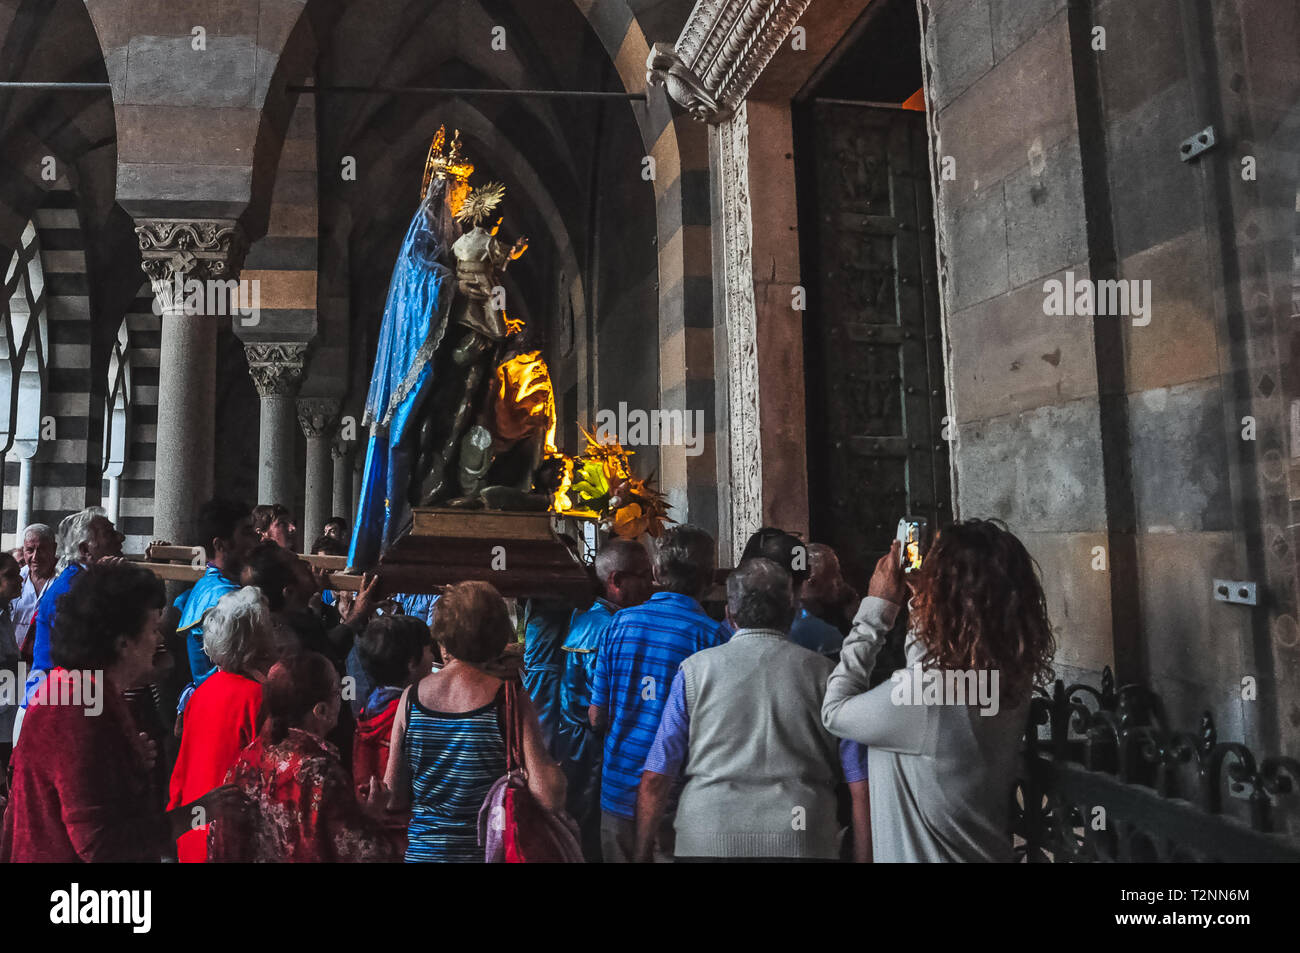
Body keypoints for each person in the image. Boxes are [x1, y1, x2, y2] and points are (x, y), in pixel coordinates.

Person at [822, 520, 1056, 862]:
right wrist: (921, 601)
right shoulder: (1006, 681)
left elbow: (835, 711)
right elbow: (937, 663)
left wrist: (876, 609)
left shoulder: (925, 696)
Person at [0, 562, 244, 862]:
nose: (159, 640)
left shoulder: (84, 689)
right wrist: (198, 813)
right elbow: (101, 845)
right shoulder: (79, 706)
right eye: (152, 629)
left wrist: (124, 762)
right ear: (123, 642)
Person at [634, 558, 871, 862]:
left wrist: (640, 853)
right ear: (790, 614)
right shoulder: (828, 675)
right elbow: (859, 782)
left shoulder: (694, 671)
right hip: (802, 838)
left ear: (729, 614)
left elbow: (657, 776)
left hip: (707, 836)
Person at [385, 580, 565, 863]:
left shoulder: (411, 699)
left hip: (423, 853)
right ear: (498, 636)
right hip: (486, 854)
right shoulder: (508, 697)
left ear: (442, 637)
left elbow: (393, 795)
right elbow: (549, 796)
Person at [589, 524, 729, 862]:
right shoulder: (713, 638)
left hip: (619, 792)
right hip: (678, 804)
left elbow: (597, 716)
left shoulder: (619, 625)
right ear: (710, 578)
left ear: (656, 572)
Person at [208, 652, 394, 862]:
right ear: (321, 710)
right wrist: (372, 816)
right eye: (337, 690)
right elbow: (366, 855)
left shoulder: (246, 760)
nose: (342, 694)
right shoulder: (319, 774)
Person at [552, 539, 654, 861]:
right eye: (643, 575)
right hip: (595, 747)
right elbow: (606, 707)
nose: (651, 584)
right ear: (617, 581)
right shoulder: (610, 628)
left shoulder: (588, 619)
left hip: (576, 744)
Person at [168, 587, 273, 863]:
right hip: (228, 841)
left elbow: (181, 772)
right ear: (257, 643)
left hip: (191, 833)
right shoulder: (258, 697)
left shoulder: (201, 692)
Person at [16, 507, 125, 743]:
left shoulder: (83, 583)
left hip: (67, 703)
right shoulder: (71, 591)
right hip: (51, 708)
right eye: (109, 533)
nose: (121, 538)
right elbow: (92, 654)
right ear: (85, 549)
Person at [175, 498, 258, 692]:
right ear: (220, 545)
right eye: (246, 532)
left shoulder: (211, 584)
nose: (256, 539)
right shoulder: (225, 597)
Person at [789, 542, 855, 657]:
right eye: (834, 573)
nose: (840, 581)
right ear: (811, 581)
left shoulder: (842, 602)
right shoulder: (804, 625)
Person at [11, 523, 56, 660]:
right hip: (13, 662)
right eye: (30, 550)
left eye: (41, 549)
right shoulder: (13, 579)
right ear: (23, 550)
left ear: (54, 549)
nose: (35, 557)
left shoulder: (64, 581)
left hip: (49, 663)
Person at [0, 553, 23, 771]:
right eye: (10, 575)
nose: (19, 580)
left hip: (9, 721)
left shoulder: (5, 612)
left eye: (18, 573)